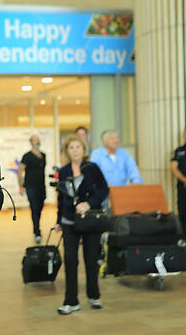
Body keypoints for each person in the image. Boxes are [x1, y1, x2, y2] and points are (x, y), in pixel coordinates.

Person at [54, 134, 109, 315]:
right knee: (70, 260)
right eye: (71, 147)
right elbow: (61, 198)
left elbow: (103, 190)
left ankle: (94, 296)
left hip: (90, 220)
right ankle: (71, 301)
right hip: (70, 221)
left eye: (78, 147)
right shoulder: (63, 171)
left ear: (84, 150)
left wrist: (89, 203)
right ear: (67, 151)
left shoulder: (92, 168)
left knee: (91, 259)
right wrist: (58, 221)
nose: (75, 150)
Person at [17, 135, 46, 243]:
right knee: (34, 208)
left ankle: (37, 227)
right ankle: (37, 231)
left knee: (40, 208)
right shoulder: (27, 156)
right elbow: (20, 171)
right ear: (31, 142)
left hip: (41, 187)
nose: (37, 141)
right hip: (30, 187)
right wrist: (21, 185)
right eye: (35, 140)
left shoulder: (43, 155)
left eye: (38, 139)